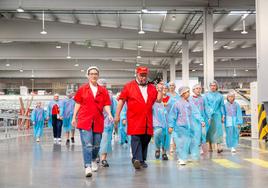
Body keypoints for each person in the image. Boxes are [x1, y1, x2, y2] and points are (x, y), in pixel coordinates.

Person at [114, 66, 163, 170]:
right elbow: (121, 101)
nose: (143, 78)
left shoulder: (151, 87)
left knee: (146, 139)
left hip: (147, 119)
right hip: (134, 118)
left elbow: (158, 100)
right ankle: (136, 159)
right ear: (137, 74)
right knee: (136, 138)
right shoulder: (129, 86)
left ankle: (142, 160)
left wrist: (160, 90)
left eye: (145, 75)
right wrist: (117, 115)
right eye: (141, 75)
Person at [72, 66, 113, 178]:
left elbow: (106, 104)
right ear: (88, 75)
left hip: (98, 120)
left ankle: (94, 159)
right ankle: (87, 166)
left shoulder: (103, 90)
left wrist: (109, 114)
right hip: (85, 120)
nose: (94, 75)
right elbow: (78, 103)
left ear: (98, 76)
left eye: (95, 74)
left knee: (97, 144)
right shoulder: (82, 89)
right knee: (87, 144)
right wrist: (74, 117)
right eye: (91, 74)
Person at [168, 86, 205, 165]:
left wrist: (201, 121)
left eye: (188, 92)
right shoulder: (177, 104)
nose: (188, 93)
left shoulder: (190, 103)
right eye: (187, 92)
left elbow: (196, 112)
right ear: (182, 94)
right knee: (181, 143)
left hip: (189, 127)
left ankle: (183, 157)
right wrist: (171, 126)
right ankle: (181, 158)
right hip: (180, 127)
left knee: (187, 143)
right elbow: (172, 116)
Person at [98, 79, 117, 168]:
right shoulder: (93, 95)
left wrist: (114, 118)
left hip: (107, 122)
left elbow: (114, 109)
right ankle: (96, 156)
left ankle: (103, 159)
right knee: (96, 140)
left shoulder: (110, 97)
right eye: (102, 86)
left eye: (104, 86)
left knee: (105, 140)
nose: (103, 88)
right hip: (96, 121)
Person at [203, 80, 225, 153]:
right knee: (210, 130)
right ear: (209, 87)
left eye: (214, 85)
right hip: (208, 115)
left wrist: (223, 115)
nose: (213, 87)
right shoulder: (206, 95)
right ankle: (209, 145)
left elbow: (221, 106)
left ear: (216, 87)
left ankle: (219, 146)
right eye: (211, 85)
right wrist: (209, 114)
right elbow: (206, 106)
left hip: (217, 114)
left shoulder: (220, 96)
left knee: (218, 130)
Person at [189, 84, 208, 159]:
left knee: (201, 134)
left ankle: (199, 147)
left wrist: (209, 117)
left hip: (202, 119)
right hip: (193, 119)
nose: (198, 90)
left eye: (200, 88)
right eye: (197, 88)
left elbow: (206, 108)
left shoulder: (203, 99)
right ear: (193, 90)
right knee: (193, 134)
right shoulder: (190, 99)